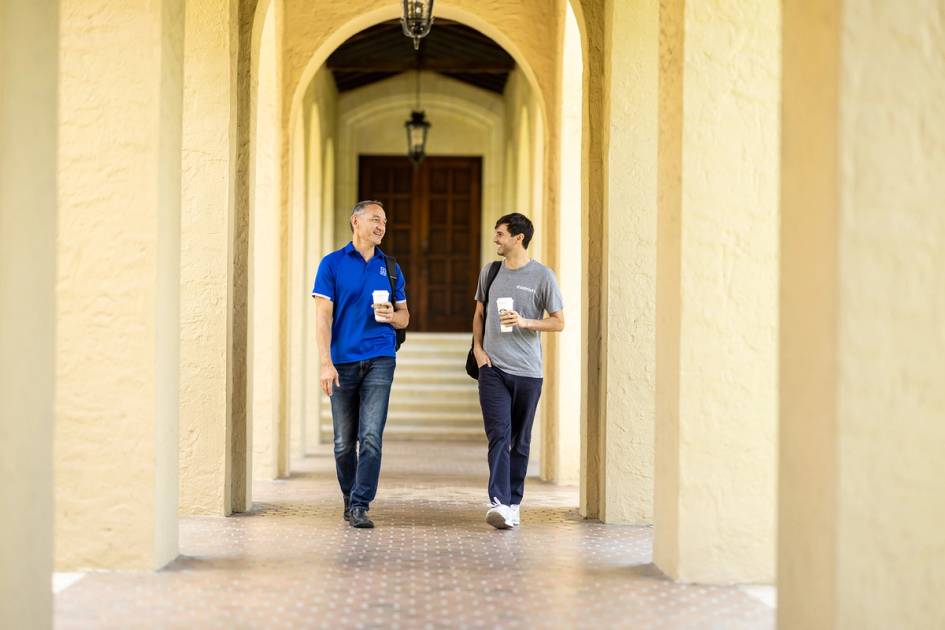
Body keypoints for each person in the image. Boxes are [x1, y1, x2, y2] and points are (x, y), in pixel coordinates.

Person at [312, 200, 409, 529]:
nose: (381, 226)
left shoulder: (391, 266)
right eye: (375, 219)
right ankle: (349, 495)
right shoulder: (332, 264)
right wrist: (326, 363)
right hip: (342, 361)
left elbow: (405, 316)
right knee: (343, 441)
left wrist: (392, 317)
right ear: (355, 221)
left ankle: (360, 503)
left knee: (370, 435)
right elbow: (322, 318)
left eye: (384, 221)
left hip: (381, 357)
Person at [471, 212, 564, 529]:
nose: (495, 239)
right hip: (492, 369)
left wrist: (525, 322)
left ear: (518, 238)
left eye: (500, 234)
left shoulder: (543, 277)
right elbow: (480, 313)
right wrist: (478, 350)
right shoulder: (491, 271)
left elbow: (558, 321)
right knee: (499, 435)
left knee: (519, 440)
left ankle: (513, 502)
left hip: (528, 371)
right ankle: (498, 501)